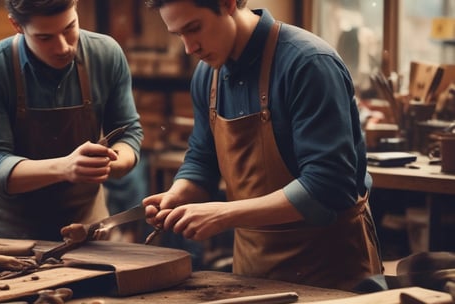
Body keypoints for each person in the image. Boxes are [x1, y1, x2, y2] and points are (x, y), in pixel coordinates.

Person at [142, 0, 382, 291]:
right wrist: (178, 194)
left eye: (194, 29)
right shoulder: (207, 75)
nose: (189, 48)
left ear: (228, 4)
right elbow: (203, 159)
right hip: (252, 273)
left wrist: (223, 214)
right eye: (178, 35)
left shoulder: (308, 63)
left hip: (329, 271)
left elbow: (328, 186)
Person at [0, 0, 143, 241]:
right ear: (16, 25)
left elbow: (128, 134)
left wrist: (110, 163)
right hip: (4, 230)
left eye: (69, 28)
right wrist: (65, 168)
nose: (63, 47)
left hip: (82, 224)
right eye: (45, 38)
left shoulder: (106, 55)